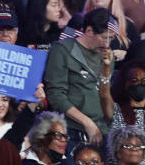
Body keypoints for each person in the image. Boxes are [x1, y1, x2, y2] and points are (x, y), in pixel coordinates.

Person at [44, 8, 115, 150]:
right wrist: (87, 122)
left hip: (102, 129)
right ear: (88, 31)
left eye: (111, 38)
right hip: (71, 130)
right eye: (103, 37)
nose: (107, 44)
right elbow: (56, 95)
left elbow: (105, 94)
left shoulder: (107, 55)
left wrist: (107, 69)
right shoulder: (62, 50)